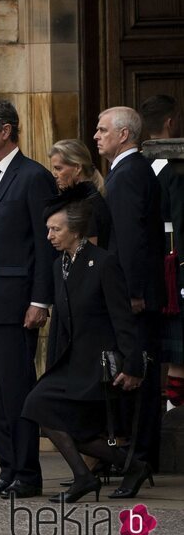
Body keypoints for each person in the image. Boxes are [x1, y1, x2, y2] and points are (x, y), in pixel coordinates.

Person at [22, 185, 149, 502]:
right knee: (42, 409)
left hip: (98, 364)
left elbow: (123, 320)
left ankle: (94, 475)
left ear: (75, 230)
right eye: (48, 229)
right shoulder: (58, 265)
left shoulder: (103, 263)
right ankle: (123, 467)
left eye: (56, 229)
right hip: (71, 362)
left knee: (48, 411)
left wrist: (132, 365)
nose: (50, 235)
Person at [0, 100, 56, 500]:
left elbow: (44, 244)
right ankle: (6, 469)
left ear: (6, 131)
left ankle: (27, 473)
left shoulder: (34, 177)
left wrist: (40, 300)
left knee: (17, 390)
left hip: (16, 302)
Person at [95, 106, 165, 470]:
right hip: (131, 291)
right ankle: (128, 454)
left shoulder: (127, 175)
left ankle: (136, 457)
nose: (96, 135)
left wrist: (133, 292)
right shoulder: (128, 171)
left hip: (133, 295)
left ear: (124, 135)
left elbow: (131, 239)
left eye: (103, 129)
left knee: (137, 375)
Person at [140, 94, 184, 407]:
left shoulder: (135, 164)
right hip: (173, 263)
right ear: (170, 122)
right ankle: (173, 414)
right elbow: (180, 219)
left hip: (146, 260)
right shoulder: (175, 167)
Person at [48, 139, 112, 249]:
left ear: (77, 168)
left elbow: (89, 256)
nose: (54, 174)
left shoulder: (88, 204)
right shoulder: (81, 200)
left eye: (58, 168)